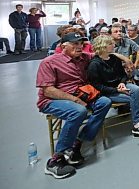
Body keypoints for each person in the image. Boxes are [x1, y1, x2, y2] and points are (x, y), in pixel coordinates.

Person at [36, 32, 112, 179]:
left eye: (81, 44)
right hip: (53, 100)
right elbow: (48, 90)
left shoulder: (84, 57)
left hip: (82, 94)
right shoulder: (49, 62)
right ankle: (55, 160)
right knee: (78, 111)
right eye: (75, 44)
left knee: (105, 102)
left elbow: (105, 54)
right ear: (63, 46)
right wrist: (75, 100)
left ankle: (77, 142)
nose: (79, 47)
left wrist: (126, 61)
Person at [87, 35, 139, 138]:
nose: (114, 45)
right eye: (111, 44)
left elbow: (122, 75)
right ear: (103, 46)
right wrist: (116, 89)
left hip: (120, 85)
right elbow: (97, 85)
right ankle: (138, 125)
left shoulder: (114, 58)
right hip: (107, 92)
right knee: (136, 97)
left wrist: (122, 83)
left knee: (136, 89)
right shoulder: (94, 64)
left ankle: (138, 125)